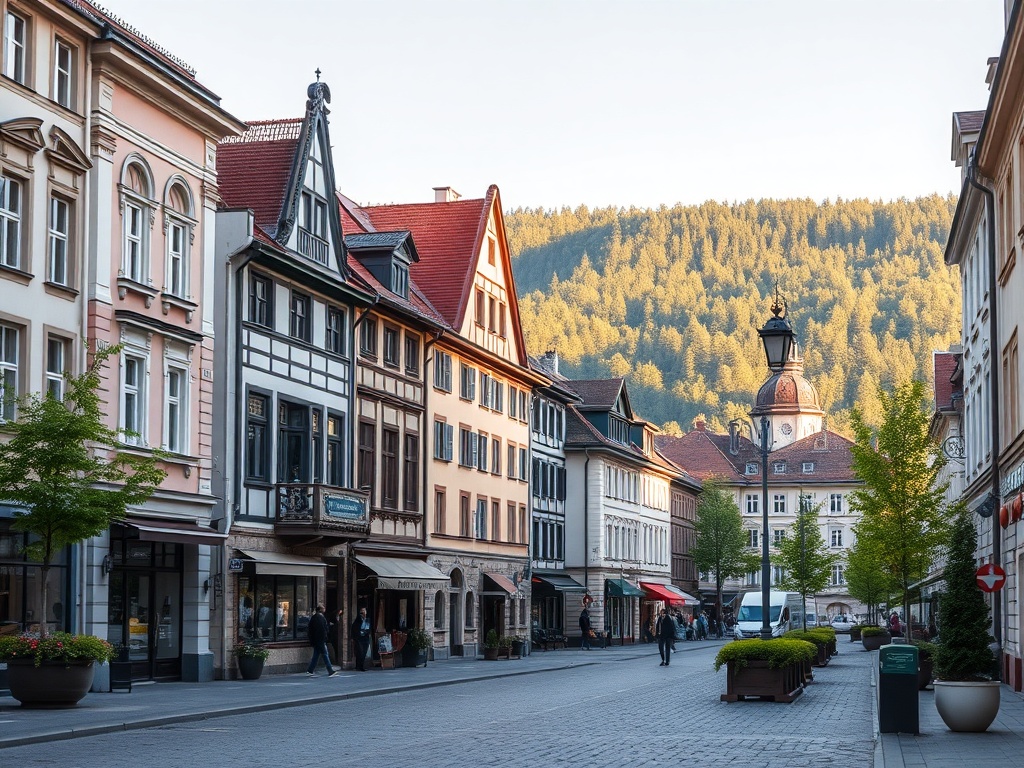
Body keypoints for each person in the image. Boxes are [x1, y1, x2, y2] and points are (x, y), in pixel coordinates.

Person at [305, 604, 339, 677]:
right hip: (320, 640)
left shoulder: (315, 618)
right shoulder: (319, 618)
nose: (325, 609)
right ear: (320, 609)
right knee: (325, 654)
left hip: (317, 640)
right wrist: (325, 637)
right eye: (323, 608)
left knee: (316, 655)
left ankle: (310, 670)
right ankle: (330, 670)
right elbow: (322, 630)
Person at [351, 606, 371, 671]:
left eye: (364, 611)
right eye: (362, 612)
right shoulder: (358, 620)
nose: (363, 613)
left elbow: (368, 628)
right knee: (359, 652)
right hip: (359, 638)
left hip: (365, 637)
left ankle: (360, 666)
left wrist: (367, 632)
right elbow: (354, 628)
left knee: (364, 652)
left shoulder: (367, 620)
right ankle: (359, 666)